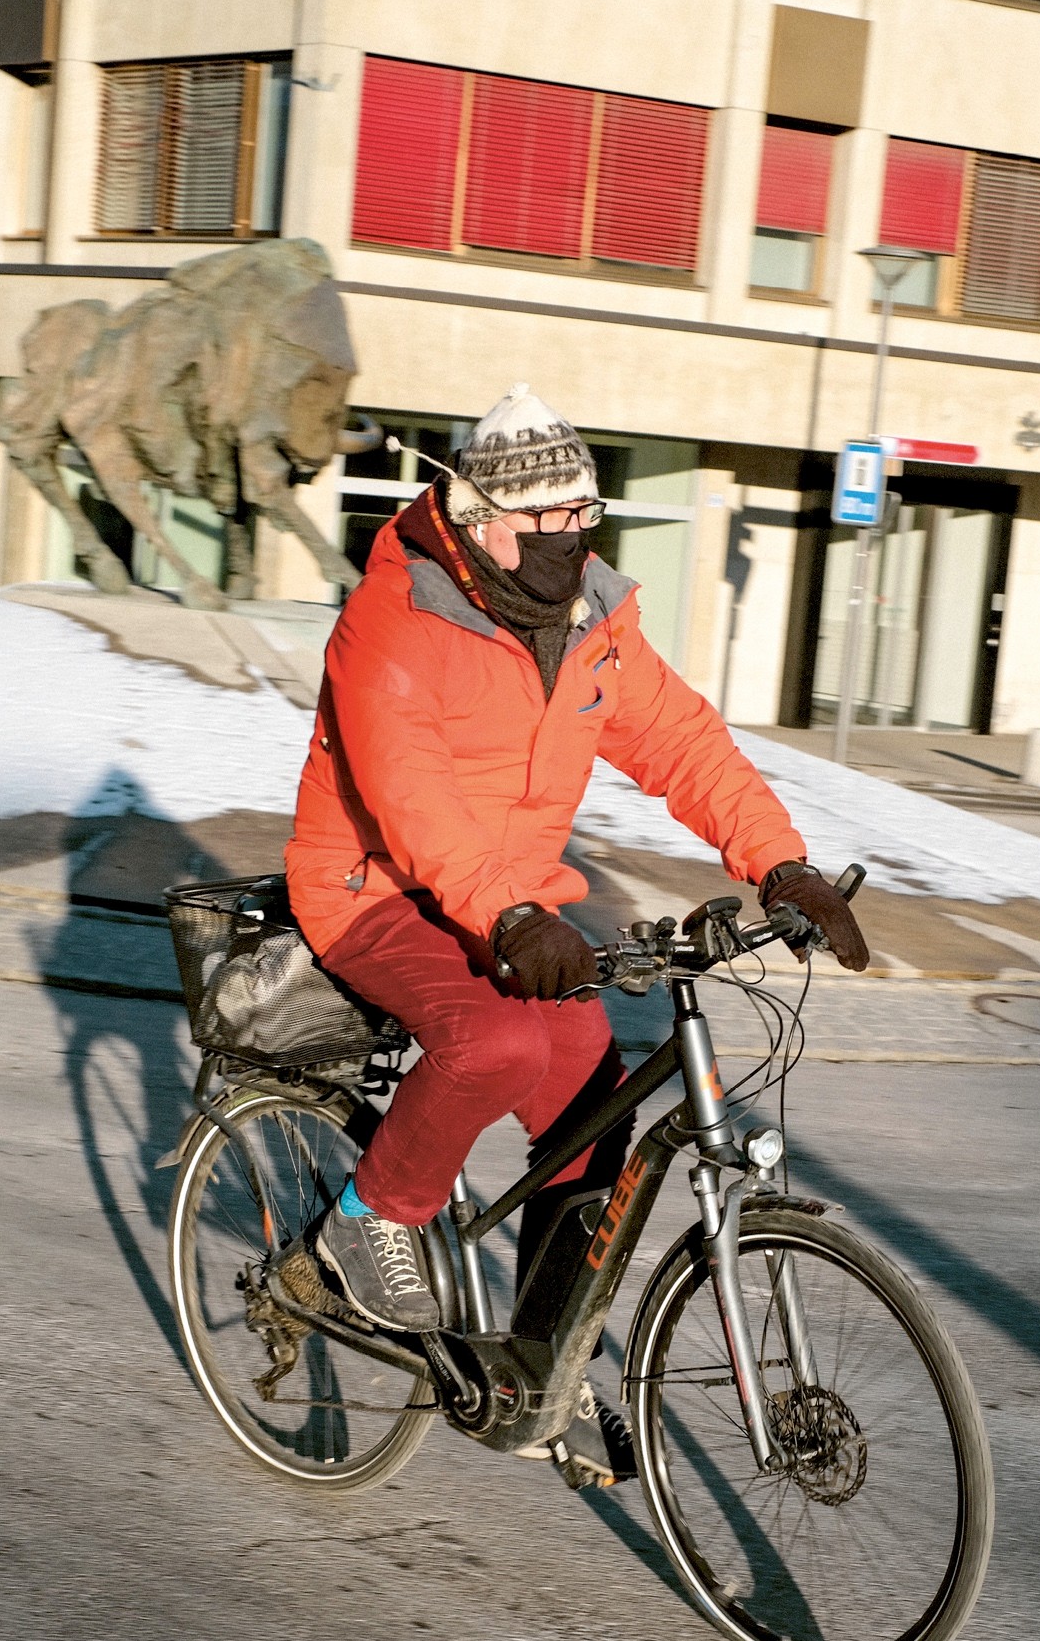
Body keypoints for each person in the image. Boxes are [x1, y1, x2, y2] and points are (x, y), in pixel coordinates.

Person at [285, 385, 867, 1481]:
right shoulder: (392, 617)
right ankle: (368, 1217)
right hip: (375, 887)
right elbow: (408, 792)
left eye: (579, 518)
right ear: (469, 515)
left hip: (509, 902)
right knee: (494, 1043)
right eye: (537, 521)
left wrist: (778, 860)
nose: (562, 540)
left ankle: (543, 1361)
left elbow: (683, 743)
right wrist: (503, 910)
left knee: (594, 1122)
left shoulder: (595, 620)